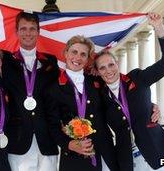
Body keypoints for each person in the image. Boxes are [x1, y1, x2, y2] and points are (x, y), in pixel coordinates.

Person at [0, 1, 60, 170]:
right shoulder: (5, 60)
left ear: (38, 32)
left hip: (47, 141)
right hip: (17, 141)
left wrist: (95, 69)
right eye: (23, 28)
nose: (28, 33)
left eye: (32, 29)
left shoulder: (50, 62)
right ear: (16, 32)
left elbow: (59, 92)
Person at [94, 13, 164, 171]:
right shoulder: (99, 96)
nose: (108, 71)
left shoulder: (138, 78)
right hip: (129, 160)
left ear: (117, 63)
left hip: (160, 154)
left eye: (111, 64)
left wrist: (159, 28)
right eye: (102, 68)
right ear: (97, 72)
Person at [45, 35, 119, 171]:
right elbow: (52, 125)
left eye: (83, 54)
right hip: (75, 157)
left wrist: (151, 106)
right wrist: (69, 144)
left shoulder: (97, 81)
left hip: (105, 151)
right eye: (74, 52)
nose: (78, 57)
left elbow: (119, 95)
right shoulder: (54, 89)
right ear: (66, 53)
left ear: (87, 59)